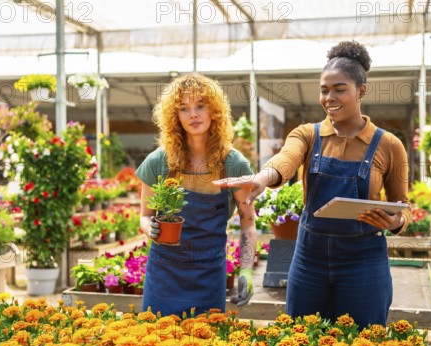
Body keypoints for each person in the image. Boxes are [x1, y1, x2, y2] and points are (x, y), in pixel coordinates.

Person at [214, 41, 411, 329]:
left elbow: (403, 206)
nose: (329, 97)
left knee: (364, 343)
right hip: (310, 259)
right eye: (324, 90)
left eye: (339, 89)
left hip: (364, 262)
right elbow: (287, 158)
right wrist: (263, 178)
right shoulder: (308, 135)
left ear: (362, 91)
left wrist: (395, 220)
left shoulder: (390, 145)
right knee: (301, 339)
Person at [136, 73, 257, 316]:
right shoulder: (159, 161)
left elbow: (248, 221)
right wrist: (151, 229)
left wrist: (245, 270)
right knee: (157, 344)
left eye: (200, 105)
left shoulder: (233, 165)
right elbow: (144, 216)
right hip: (164, 273)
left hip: (208, 273)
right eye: (184, 108)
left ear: (214, 111)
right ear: (175, 117)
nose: (193, 114)